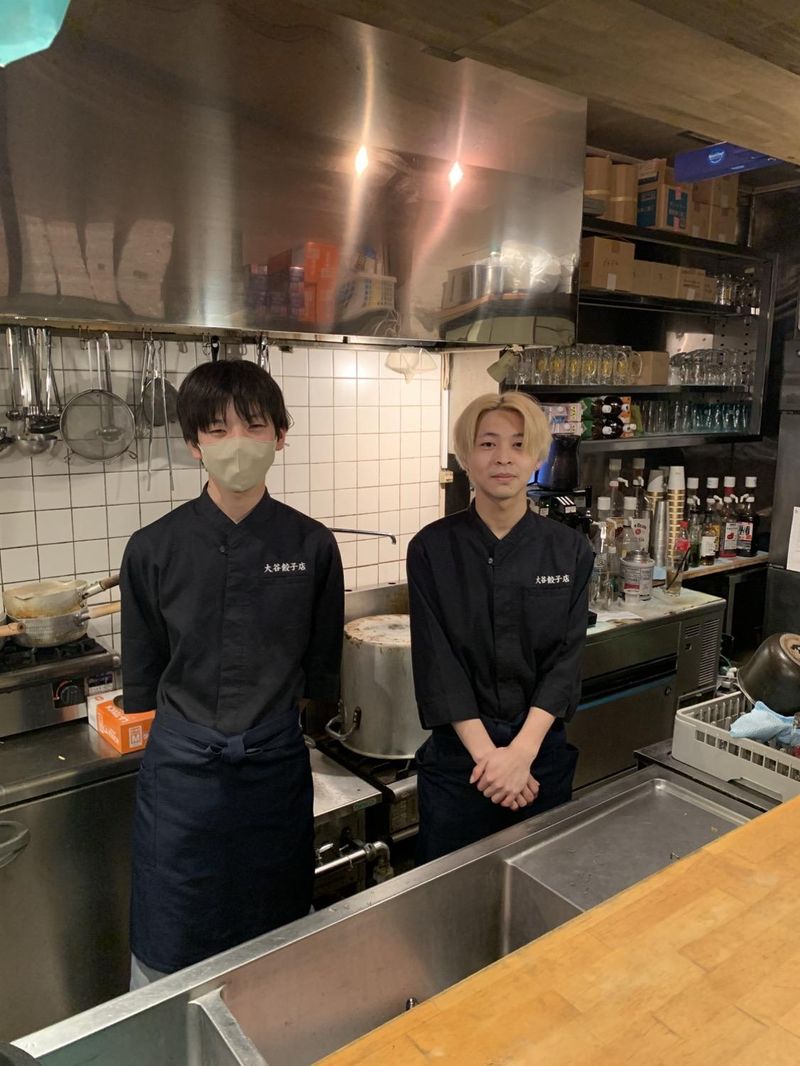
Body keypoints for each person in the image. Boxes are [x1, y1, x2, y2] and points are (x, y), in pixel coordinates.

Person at [120, 359, 344, 987]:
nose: (237, 444)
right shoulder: (152, 548)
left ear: (280, 436)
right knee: (171, 936)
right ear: (194, 444)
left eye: (254, 426)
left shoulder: (312, 546)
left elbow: (321, 673)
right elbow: (145, 675)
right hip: (182, 777)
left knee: (276, 941)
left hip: (274, 770)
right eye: (217, 430)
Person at [407, 391, 593, 864]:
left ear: (537, 456)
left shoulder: (569, 551)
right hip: (462, 763)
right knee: (453, 894)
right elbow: (438, 663)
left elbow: (566, 661)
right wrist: (492, 761)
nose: (503, 458)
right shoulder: (431, 549)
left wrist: (521, 754)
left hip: (539, 758)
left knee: (540, 882)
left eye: (518, 444)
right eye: (487, 444)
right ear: (465, 457)